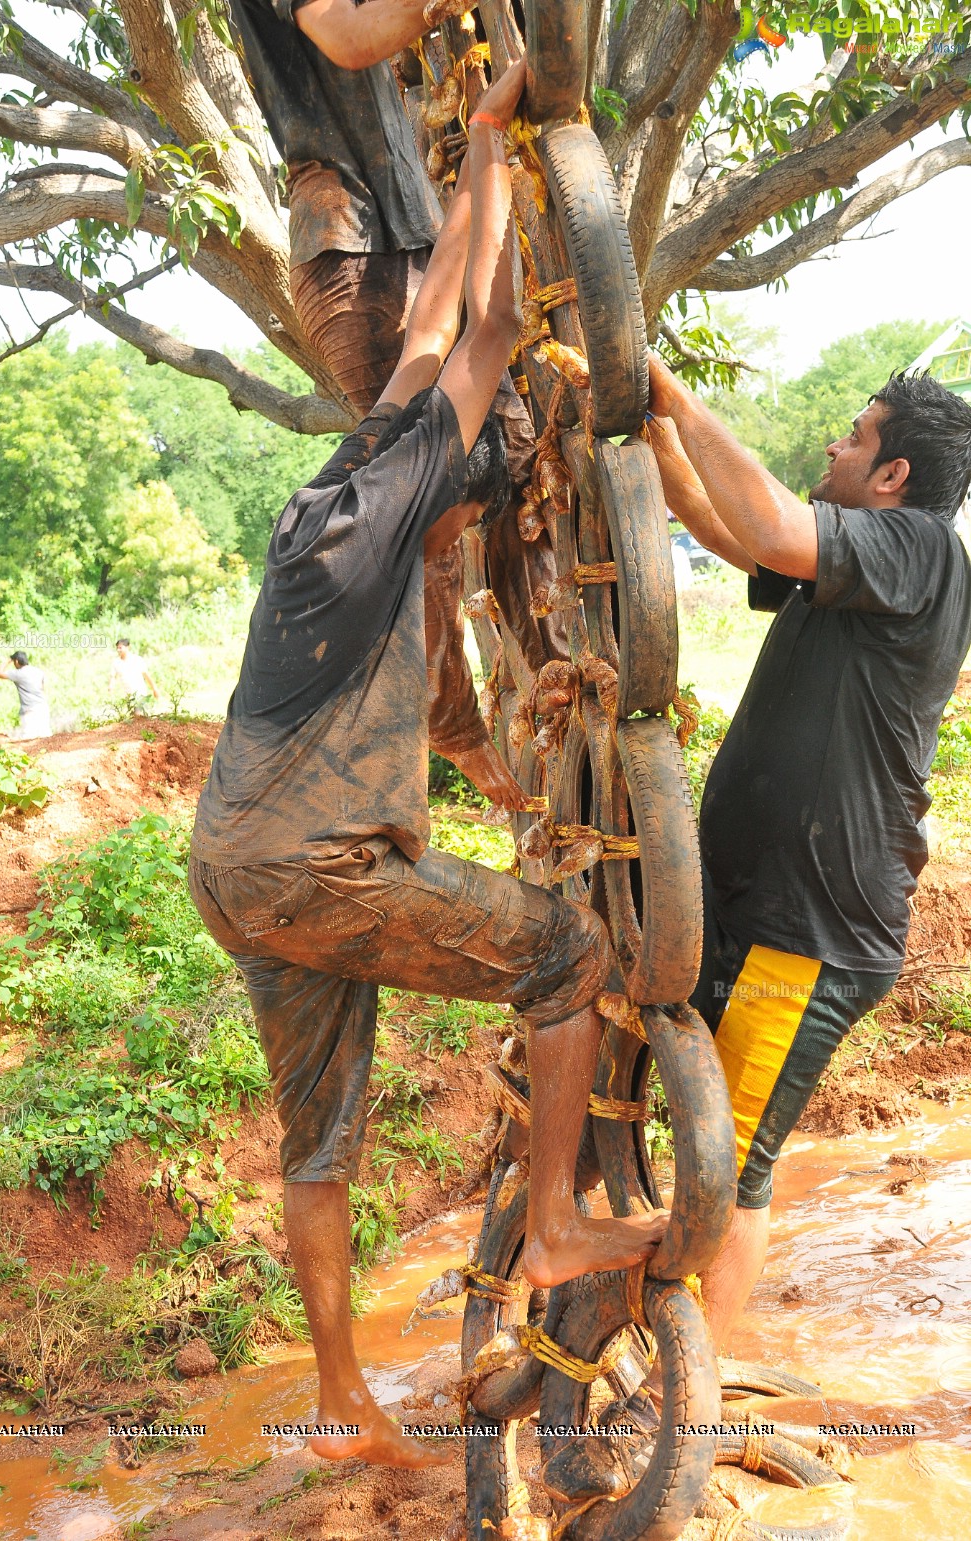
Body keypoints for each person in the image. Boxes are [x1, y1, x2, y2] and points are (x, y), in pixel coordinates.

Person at [189, 60, 668, 1471]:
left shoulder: (344, 492)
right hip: (322, 869)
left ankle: (338, 1395)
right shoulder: (402, 493)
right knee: (569, 953)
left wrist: (469, 166)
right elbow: (487, 332)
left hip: (232, 866)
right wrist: (495, 158)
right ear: (444, 487)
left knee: (318, 1141)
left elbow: (428, 360)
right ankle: (568, 1219)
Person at [646, 355, 971, 1352]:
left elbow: (780, 521)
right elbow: (734, 528)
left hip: (813, 928)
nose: (834, 442)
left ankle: (682, 1410)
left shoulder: (921, 549)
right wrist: (646, 430)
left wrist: (671, 390)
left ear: (893, 477)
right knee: (700, 1143)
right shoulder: (855, 564)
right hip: (758, 906)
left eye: (855, 433)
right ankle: (660, 1358)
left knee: (733, 1164)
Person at [227, 0, 539, 810]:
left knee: (513, 454)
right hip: (346, 245)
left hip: (408, 234)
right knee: (414, 507)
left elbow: (446, 320)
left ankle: (537, 659)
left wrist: (483, 138)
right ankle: (452, 719)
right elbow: (348, 33)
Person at [0, 650, 51, 739]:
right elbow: (42, 688)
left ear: (16, 661)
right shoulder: (38, 671)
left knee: (28, 740)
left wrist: (8, 660)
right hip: (43, 707)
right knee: (46, 739)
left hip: (30, 710)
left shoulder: (18, 673)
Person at [111, 639, 159, 712]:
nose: (118, 650)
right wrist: (111, 687)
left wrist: (154, 689)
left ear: (127, 647)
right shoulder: (116, 662)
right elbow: (113, 677)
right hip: (128, 695)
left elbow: (146, 675)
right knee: (134, 719)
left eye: (120, 647)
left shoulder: (137, 660)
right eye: (117, 648)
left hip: (140, 693)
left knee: (138, 715)